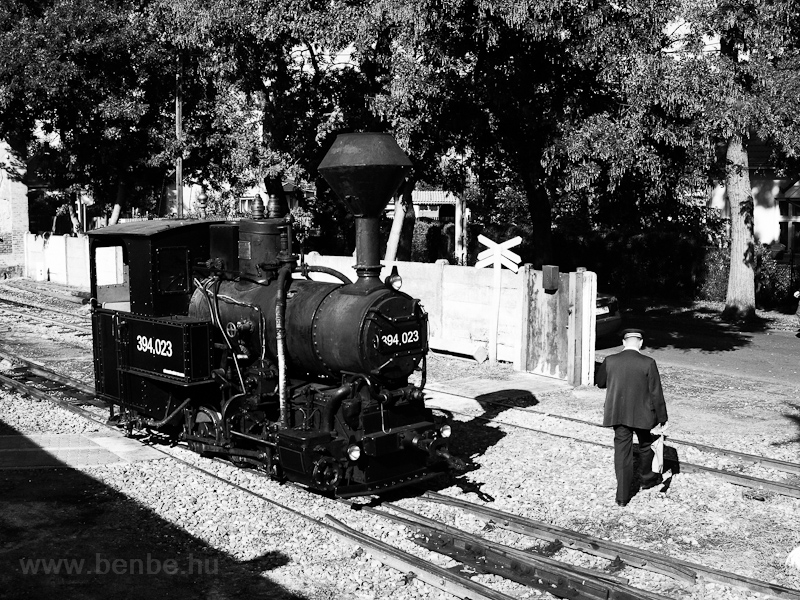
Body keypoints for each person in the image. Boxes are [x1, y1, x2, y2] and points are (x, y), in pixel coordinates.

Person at [594, 328, 668, 507]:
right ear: (641, 343)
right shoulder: (648, 362)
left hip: (618, 413)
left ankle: (622, 497)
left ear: (623, 342)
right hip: (643, 414)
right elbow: (656, 392)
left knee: (622, 453)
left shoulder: (610, 360)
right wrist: (662, 417)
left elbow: (600, 382)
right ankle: (646, 478)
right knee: (646, 444)